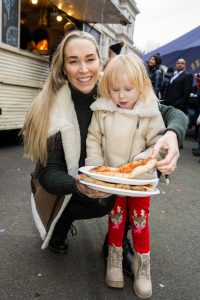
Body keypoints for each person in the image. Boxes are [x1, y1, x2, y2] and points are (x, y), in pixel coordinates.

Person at [21, 30, 188, 276]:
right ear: (63, 67)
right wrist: (79, 185)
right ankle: (62, 223)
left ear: (100, 61)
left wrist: (173, 133)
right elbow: (48, 172)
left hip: (108, 173)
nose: (83, 69)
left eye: (90, 59)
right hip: (68, 181)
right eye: (73, 61)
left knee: (130, 188)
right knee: (88, 197)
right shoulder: (49, 106)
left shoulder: (114, 87)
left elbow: (169, 112)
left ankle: (116, 242)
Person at [86, 53, 166, 299]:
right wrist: (97, 168)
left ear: (141, 86)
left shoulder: (150, 113)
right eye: (115, 89)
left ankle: (142, 266)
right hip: (113, 179)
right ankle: (114, 258)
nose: (121, 96)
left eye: (128, 89)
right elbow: (94, 139)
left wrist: (146, 161)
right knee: (116, 218)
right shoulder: (102, 111)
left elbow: (158, 144)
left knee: (140, 222)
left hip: (140, 183)